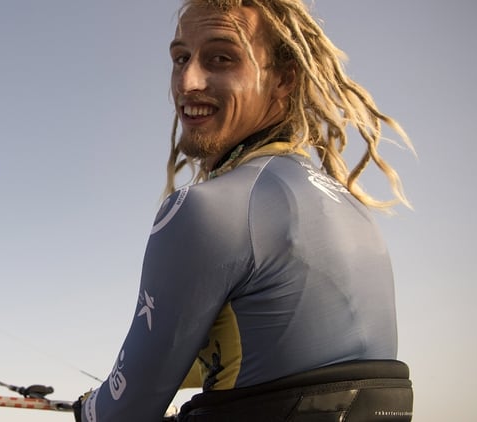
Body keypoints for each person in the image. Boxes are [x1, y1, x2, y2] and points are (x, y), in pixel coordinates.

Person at [73, 1, 414, 421]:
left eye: (221, 58)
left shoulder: (205, 210)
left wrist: (86, 405)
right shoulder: (356, 213)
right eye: (181, 58)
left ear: (283, 79)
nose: (187, 81)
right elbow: (279, 350)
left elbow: (121, 414)